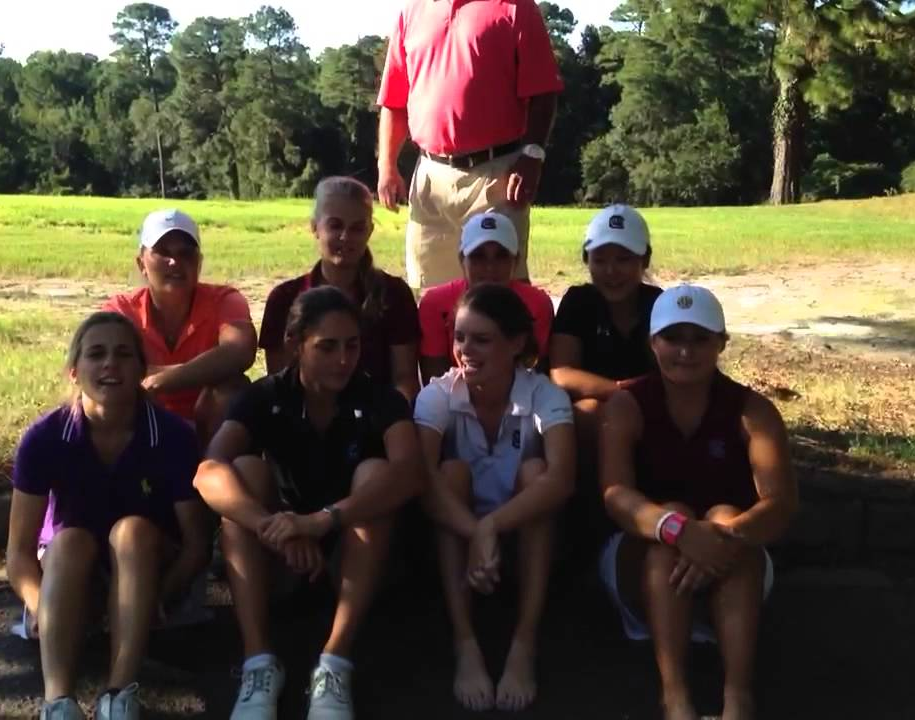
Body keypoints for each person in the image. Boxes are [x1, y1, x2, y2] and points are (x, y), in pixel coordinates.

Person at [194, 287, 425, 720]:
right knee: (244, 470)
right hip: (286, 555)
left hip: (351, 555)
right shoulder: (267, 396)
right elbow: (208, 470)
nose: (343, 359)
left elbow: (410, 473)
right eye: (327, 346)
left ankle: (334, 663)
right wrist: (274, 527)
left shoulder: (378, 398)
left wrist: (322, 522)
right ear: (296, 345)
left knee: (377, 476)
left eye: (352, 345)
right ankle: (259, 662)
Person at [597, 285, 800, 720]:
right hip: (646, 566)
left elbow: (780, 502)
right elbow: (615, 495)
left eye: (700, 338)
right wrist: (679, 531)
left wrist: (721, 537)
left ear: (721, 343)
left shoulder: (753, 410)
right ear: (653, 343)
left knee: (727, 517)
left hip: (731, 567)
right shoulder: (628, 403)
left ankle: (737, 697)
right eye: (674, 338)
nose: (686, 351)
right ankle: (675, 696)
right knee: (671, 518)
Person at [7, 312, 211, 720]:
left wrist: (160, 595)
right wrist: (39, 606)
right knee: (69, 540)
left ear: (141, 368)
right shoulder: (44, 437)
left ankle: (119, 695)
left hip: (148, 571)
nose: (109, 365)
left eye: (123, 354)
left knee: (131, 531)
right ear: (74, 371)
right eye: (95, 354)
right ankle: (58, 702)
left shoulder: (173, 436)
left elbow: (196, 545)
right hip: (72, 572)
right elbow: (18, 554)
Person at [414, 283, 576, 713]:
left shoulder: (543, 393)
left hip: (519, 536)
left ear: (517, 343)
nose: (466, 349)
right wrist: (476, 530)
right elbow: (422, 480)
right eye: (460, 337)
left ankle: (524, 642)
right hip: (462, 537)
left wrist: (491, 527)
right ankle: (464, 641)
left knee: (536, 473)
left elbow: (561, 479)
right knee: (449, 474)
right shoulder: (439, 394)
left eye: (482, 339)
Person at [376, 0, 563, 290]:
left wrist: (532, 155)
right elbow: (394, 102)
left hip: (497, 175)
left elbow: (544, 91)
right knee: (432, 294)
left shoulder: (515, 8)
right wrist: (386, 165)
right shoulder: (411, 12)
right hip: (430, 177)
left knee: (501, 294)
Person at [549, 204, 662, 555]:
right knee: (587, 412)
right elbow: (561, 371)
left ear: (644, 260)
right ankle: (589, 521)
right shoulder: (578, 301)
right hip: (607, 408)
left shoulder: (657, 304)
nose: (611, 271)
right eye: (600, 259)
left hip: (649, 408)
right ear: (587, 260)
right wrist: (622, 393)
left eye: (624, 259)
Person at [103, 208, 257, 447]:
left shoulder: (225, 299)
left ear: (199, 262)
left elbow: (240, 351)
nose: (174, 262)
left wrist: (160, 380)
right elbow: (108, 368)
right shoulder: (121, 310)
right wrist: (204, 370)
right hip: (144, 423)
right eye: (162, 252)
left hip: (208, 425)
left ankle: (211, 467)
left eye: (186, 253)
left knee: (230, 389)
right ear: (141, 262)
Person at [259, 176, 420, 403]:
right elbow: (280, 382)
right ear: (315, 227)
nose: (345, 237)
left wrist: (390, 420)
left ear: (370, 231)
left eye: (357, 228)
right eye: (335, 226)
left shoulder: (393, 294)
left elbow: (404, 379)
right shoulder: (284, 299)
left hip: (377, 421)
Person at [417, 211, 554, 383]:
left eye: (501, 256)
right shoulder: (435, 304)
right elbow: (435, 379)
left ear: (516, 261)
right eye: (478, 256)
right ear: (462, 260)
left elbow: (534, 374)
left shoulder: (537, 304)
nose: (490, 268)